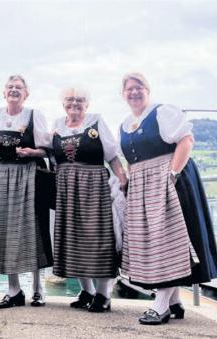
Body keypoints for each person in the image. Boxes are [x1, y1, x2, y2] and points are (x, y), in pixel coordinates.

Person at [118, 72, 217, 325]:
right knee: (154, 242)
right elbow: (132, 161)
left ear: (148, 89)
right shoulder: (124, 123)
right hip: (143, 185)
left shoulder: (163, 111)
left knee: (167, 241)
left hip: (169, 180)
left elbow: (186, 140)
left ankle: (161, 305)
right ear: (122, 94)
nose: (134, 92)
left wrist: (172, 175)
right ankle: (175, 302)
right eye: (129, 89)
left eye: (139, 87)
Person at [49, 86, 127, 312]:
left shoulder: (96, 121)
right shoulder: (57, 124)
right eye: (70, 99)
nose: (74, 103)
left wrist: (122, 179)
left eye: (80, 100)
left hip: (94, 186)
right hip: (65, 187)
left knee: (99, 238)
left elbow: (111, 154)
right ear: (63, 103)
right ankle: (87, 290)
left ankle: (103, 294)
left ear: (87, 104)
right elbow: (47, 152)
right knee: (72, 239)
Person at [0, 75, 53, 309]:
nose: (13, 90)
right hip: (0, 176)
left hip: (28, 175)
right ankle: (14, 290)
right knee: (3, 232)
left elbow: (47, 150)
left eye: (18, 87)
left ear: (26, 93)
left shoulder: (34, 115)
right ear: (3, 92)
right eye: (10, 87)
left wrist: (31, 152)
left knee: (32, 230)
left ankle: (38, 290)